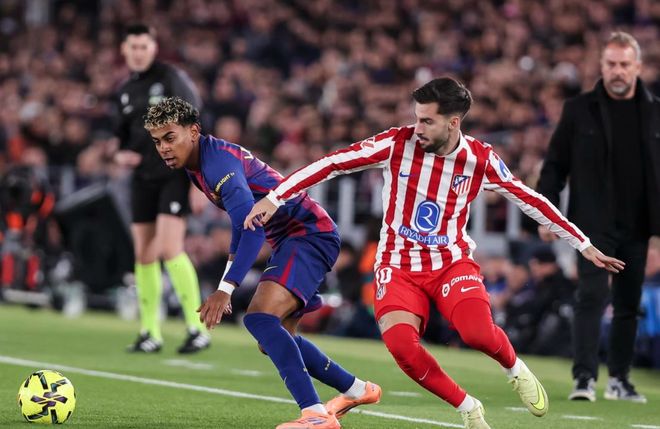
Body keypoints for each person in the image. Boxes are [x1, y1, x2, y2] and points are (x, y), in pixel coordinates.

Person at [245, 77, 624, 429]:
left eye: (427, 121)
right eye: (417, 118)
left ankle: (514, 368)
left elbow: (531, 199)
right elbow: (331, 164)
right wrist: (276, 197)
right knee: (402, 347)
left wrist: (583, 244)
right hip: (397, 265)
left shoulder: (480, 159)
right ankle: (467, 407)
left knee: (477, 333)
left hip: (450, 262)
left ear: (453, 123)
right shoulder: (396, 144)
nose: (418, 128)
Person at [144, 96, 381, 429]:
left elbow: (252, 229)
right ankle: (357, 390)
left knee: (259, 319)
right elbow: (241, 225)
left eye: (170, 137)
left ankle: (315, 415)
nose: (164, 148)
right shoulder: (198, 163)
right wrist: (226, 280)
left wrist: (225, 290)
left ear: (193, 131)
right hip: (292, 238)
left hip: (308, 233)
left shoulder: (218, 166)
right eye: (157, 141)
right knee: (273, 338)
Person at [537, 31, 660, 403]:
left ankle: (619, 379)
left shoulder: (655, 110)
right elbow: (554, 165)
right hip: (591, 225)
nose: (618, 71)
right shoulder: (579, 109)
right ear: (601, 66)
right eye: (611, 64)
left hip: (638, 224)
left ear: (637, 67)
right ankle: (584, 379)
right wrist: (546, 214)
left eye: (624, 64)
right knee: (591, 296)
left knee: (628, 303)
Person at [112, 24, 209, 354]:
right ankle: (150, 332)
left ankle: (197, 328)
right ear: (125, 50)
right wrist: (121, 154)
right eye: (133, 47)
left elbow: (194, 121)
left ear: (153, 48)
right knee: (144, 254)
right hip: (142, 178)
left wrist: (199, 179)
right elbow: (121, 138)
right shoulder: (125, 90)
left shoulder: (170, 78)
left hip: (174, 174)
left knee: (170, 248)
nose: (139, 52)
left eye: (144, 46)